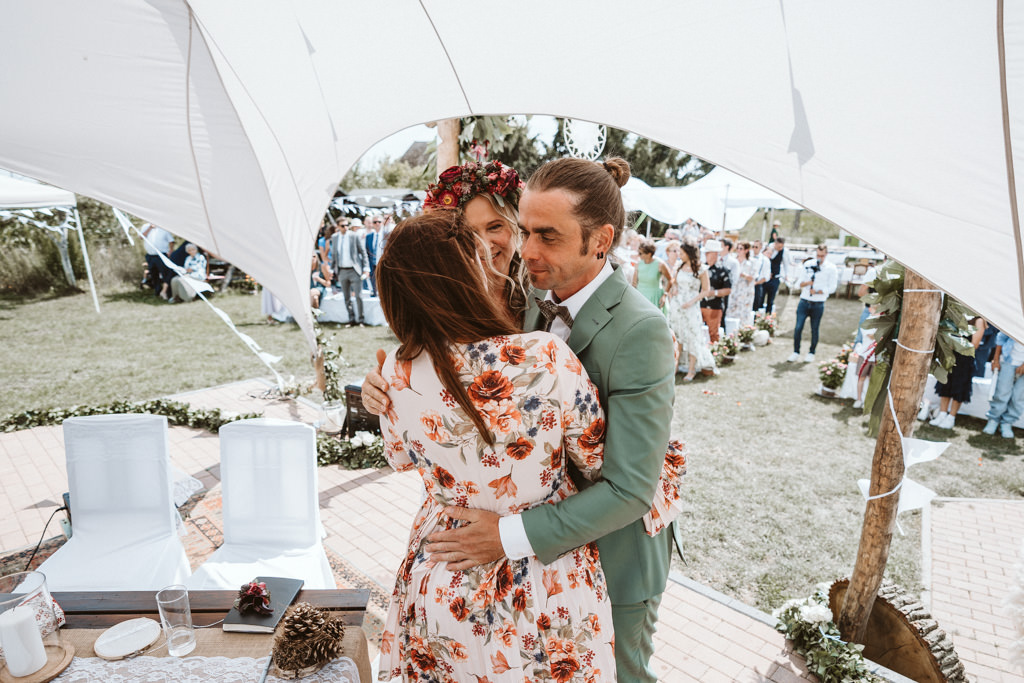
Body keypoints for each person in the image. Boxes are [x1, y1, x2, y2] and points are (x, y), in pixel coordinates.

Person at [364, 157, 677, 683]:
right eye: (525, 230)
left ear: (600, 241)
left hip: (613, 551)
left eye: (547, 236)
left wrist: (506, 535)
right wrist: (386, 385)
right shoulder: (521, 298)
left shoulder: (641, 329)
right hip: (505, 580)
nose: (525, 250)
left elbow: (630, 488)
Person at [374, 211, 616, 681]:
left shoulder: (394, 373)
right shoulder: (544, 356)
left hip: (443, 574)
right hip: (541, 580)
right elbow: (595, 459)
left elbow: (399, 457)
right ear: (470, 272)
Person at [666, 240, 715, 381]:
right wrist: (674, 289)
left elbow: (706, 290)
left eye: (682, 253)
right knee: (678, 336)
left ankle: (692, 369)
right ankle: (675, 367)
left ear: (689, 253)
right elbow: (674, 282)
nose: (679, 255)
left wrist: (691, 302)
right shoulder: (679, 266)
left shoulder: (701, 269)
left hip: (691, 306)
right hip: (677, 305)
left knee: (692, 336)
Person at [930, 317, 986, 430]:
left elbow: (974, 344)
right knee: (945, 385)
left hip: (965, 360)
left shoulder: (978, 321)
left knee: (959, 387)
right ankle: (942, 414)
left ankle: (951, 417)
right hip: (951, 357)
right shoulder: (957, 315)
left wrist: (955, 344)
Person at [787, 244, 838, 363]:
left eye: (822, 255)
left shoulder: (831, 268)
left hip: (818, 303)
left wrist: (819, 291)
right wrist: (807, 283)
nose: (820, 258)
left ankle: (811, 352)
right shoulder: (808, 265)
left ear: (826, 254)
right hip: (804, 301)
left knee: (814, 329)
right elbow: (798, 283)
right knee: (798, 327)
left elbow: (832, 288)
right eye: (818, 255)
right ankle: (796, 351)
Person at [983, 331, 1024, 439]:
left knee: (1019, 397)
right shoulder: (1015, 323)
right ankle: (993, 419)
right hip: (1007, 361)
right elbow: (1000, 338)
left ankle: (1007, 422)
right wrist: (996, 359)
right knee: (1002, 392)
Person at [330, 219, 370, 326]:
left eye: (347, 225)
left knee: (358, 296)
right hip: (342, 270)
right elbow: (334, 255)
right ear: (338, 226)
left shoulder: (354, 236)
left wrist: (366, 268)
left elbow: (363, 252)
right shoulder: (335, 237)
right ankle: (351, 319)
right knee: (346, 297)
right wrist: (331, 269)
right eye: (343, 225)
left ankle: (361, 320)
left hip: (354, 270)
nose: (345, 227)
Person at [699, 239, 731, 343]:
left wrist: (713, 293)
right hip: (699, 304)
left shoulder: (723, 270)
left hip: (714, 306)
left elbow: (728, 289)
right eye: (706, 253)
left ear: (715, 254)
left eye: (708, 253)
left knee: (713, 333)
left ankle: (715, 350)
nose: (706, 255)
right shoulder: (701, 268)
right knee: (697, 331)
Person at [632, 238, 673, 311]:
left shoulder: (660, 264)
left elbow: (670, 280)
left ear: (649, 254)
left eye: (641, 253)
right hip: (640, 297)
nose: (638, 255)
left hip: (654, 298)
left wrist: (665, 295)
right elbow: (634, 283)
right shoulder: (638, 264)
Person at [725, 240, 756, 327]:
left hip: (745, 291)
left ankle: (743, 329)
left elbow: (753, 277)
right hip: (734, 290)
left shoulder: (751, 263)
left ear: (746, 250)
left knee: (743, 312)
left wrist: (744, 275)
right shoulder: (733, 261)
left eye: (741, 249)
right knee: (731, 310)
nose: (738, 250)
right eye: (737, 248)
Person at [141, 222, 173, 297]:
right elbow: (141, 237)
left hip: (161, 255)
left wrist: (171, 251)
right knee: (153, 274)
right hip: (150, 255)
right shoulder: (145, 226)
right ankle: (157, 291)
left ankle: (167, 292)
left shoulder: (164, 227)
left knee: (165, 274)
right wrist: (150, 228)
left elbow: (171, 241)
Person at [761, 236, 790, 314]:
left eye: (782, 247)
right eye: (779, 246)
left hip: (775, 278)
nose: (780, 248)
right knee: (761, 298)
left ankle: (768, 316)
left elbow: (786, 264)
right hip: (764, 278)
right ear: (775, 244)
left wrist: (786, 275)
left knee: (770, 300)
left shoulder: (784, 251)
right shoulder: (768, 248)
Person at [364, 213, 384, 297]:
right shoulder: (369, 236)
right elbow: (367, 252)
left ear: (382, 223)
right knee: (374, 287)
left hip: (384, 264)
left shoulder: (387, 235)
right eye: (375, 222)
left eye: (379, 222)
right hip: (372, 265)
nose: (377, 224)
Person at [751, 239, 770, 312]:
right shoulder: (748, 257)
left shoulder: (765, 260)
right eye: (753, 247)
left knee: (755, 308)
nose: (754, 249)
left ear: (761, 248)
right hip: (746, 285)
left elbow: (766, 277)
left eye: (756, 247)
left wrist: (756, 283)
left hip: (757, 285)